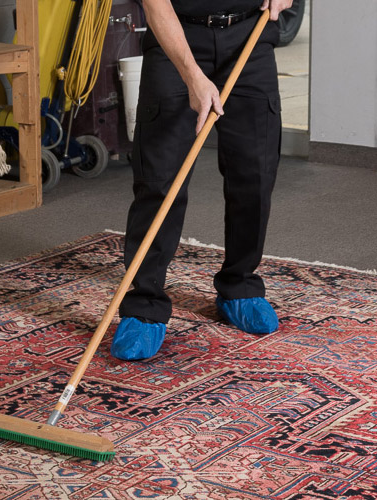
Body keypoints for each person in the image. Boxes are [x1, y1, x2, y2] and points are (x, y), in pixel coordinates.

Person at [111, 0, 293, 361]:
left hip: (250, 34)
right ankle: (144, 305)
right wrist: (192, 75)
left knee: (255, 173)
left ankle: (240, 285)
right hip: (177, 38)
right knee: (160, 180)